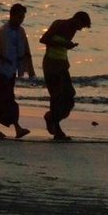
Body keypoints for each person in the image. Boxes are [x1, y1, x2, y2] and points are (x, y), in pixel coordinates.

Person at [39, 11, 92, 140]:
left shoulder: (72, 29)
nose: (80, 29)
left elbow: (62, 46)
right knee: (56, 96)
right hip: (51, 64)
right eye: (81, 25)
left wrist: (68, 47)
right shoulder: (60, 24)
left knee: (69, 95)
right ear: (77, 19)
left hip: (62, 65)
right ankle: (56, 129)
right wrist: (65, 44)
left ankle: (52, 118)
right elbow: (44, 39)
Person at [0, 3, 36, 140]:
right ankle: (15, 127)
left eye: (23, 17)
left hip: (11, 70)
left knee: (5, 100)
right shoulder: (2, 31)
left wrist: (29, 69)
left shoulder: (21, 31)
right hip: (2, 71)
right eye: (20, 17)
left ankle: (0, 127)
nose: (21, 20)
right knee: (4, 100)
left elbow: (26, 51)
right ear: (12, 15)